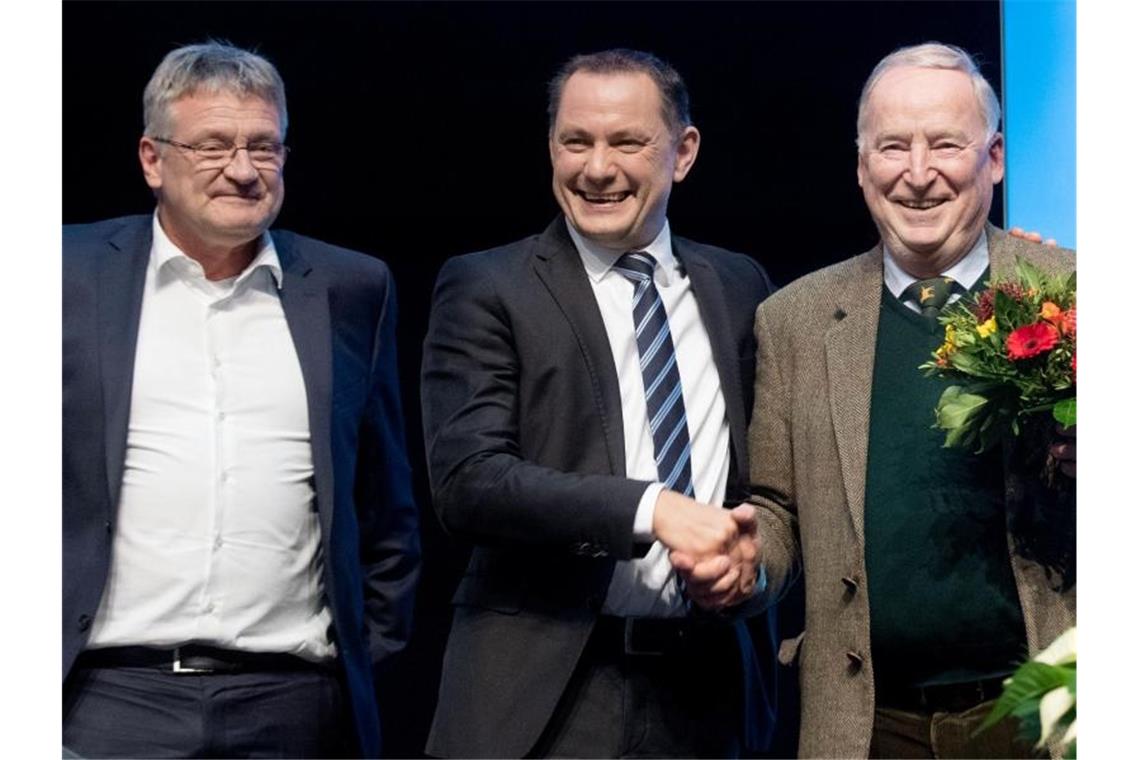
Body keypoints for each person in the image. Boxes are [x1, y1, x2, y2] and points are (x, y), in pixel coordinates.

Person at [62, 41, 420, 758]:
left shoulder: (350, 290)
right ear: (151, 159)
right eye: (214, 145)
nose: (243, 170)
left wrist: (357, 657)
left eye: (265, 146)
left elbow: (386, 509)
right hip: (105, 700)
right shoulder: (58, 275)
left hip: (293, 707)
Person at [420, 48, 778, 758]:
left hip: (710, 694)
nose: (596, 168)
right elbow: (469, 482)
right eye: (575, 141)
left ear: (683, 151)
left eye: (626, 142)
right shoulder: (488, 285)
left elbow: (771, 477)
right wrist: (653, 509)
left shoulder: (741, 287)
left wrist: (750, 564)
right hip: (546, 696)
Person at [746, 42, 1075, 758]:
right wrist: (745, 559)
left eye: (946, 145)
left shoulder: (1077, 295)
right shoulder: (794, 319)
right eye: (892, 147)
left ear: (993, 159)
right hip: (868, 725)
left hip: (1046, 716)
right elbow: (777, 508)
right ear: (862, 164)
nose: (918, 175)